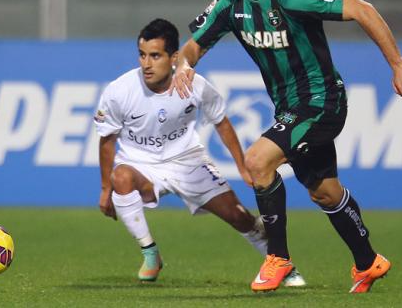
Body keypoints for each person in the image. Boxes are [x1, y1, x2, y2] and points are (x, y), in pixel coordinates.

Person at [170, 0, 402, 293]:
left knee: (259, 161)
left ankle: (278, 258)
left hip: (322, 101)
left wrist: (398, 64)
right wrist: (184, 65)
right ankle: (369, 261)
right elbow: (193, 45)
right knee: (324, 191)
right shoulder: (230, 7)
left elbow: (363, 9)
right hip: (289, 109)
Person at [94, 18, 305, 286]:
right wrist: (104, 189)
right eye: (142, 55)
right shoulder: (119, 91)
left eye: (155, 56)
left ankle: (282, 266)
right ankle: (150, 253)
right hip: (140, 164)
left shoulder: (195, 85)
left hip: (187, 160)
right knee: (120, 178)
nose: (146, 64)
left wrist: (241, 167)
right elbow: (107, 139)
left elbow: (222, 122)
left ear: (173, 57)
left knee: (239, 217)